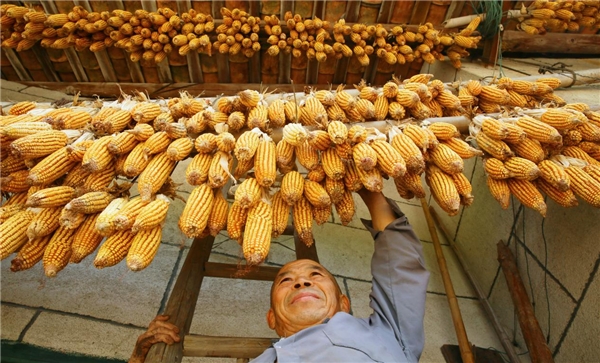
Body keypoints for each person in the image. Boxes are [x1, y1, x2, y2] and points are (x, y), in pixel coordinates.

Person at [130, 189, 429, 362]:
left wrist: (370, 189)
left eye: (315, 274)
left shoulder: (389, 333)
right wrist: (140, 355)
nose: (301, 280)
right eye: (286, 280)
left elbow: (400, 268)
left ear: (344, 304)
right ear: (272, 319)